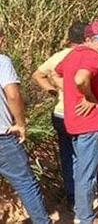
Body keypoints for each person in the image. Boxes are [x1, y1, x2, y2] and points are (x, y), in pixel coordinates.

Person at [55, 21, 98, 224]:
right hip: (91, 124)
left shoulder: (72, 54)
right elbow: (81, 79)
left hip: (80, 122)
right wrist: (89, 97)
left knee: (94, 164)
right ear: (89, 39)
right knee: (86, 173)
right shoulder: (90, 55)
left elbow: (56, 73)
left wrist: (69, 93)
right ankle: (85, 217)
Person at [32, 21, 88, 208]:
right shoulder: (90, 55)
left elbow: (37, 75)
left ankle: (73, 197)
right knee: (86, 156)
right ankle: (86, 197)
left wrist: (53, 91)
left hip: (61, 113)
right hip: (83, 112)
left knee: (68, 156)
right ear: (86, 38)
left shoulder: (58, 57)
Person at [0, 29, 51, 224]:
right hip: (2, 136)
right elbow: (13, 94)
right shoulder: (2, 61)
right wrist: (20, 123)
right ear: (2, 39)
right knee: (25, 183)